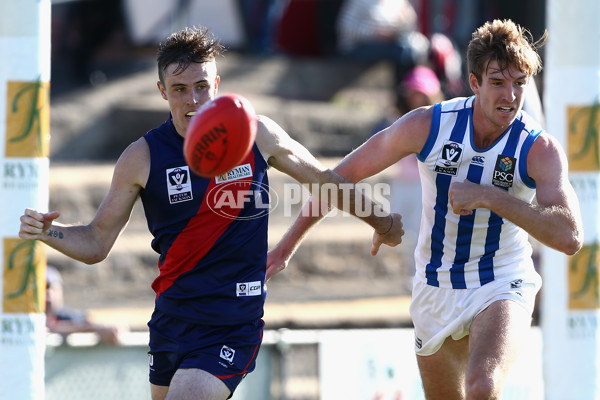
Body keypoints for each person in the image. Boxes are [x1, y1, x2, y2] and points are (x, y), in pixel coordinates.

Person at [19, 26, 402, 400]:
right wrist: (47, 232)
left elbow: (324, 180)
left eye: (202, 86)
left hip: (232, 322)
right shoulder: (142, 157)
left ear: (216, 85)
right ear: (162, 92)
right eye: (180, 89)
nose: (193, 100)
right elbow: (97, 242)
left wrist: (381, 221)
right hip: (171, 320)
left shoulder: (257, 135)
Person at [267, 19, 583, 399]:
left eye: (519, 83)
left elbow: (569, 236)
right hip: (435, 287)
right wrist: (286, 247)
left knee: (482, 386)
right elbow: (337, 177)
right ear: (474, 82)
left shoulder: (538, 148)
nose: (510, 95)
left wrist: (489, 196)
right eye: (498, 82)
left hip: (502, 279)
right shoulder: (429, 125)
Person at [335, 0, 430, 104]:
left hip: (392, 47)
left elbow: (409, 31)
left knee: (410, 51)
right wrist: (375, 34)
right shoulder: (358, 2)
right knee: (402, 53)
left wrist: (406, 20)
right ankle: (403, 98)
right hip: (357, 48)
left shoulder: (399, 3)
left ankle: (409, 94)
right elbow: (344, 28)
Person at [46, 265, 125, 345]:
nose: (49, 295)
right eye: (42, 290)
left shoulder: (66, 316)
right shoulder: (34, 318)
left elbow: (87, 322)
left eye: (53, 289)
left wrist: (105, 329)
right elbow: (48, 328)